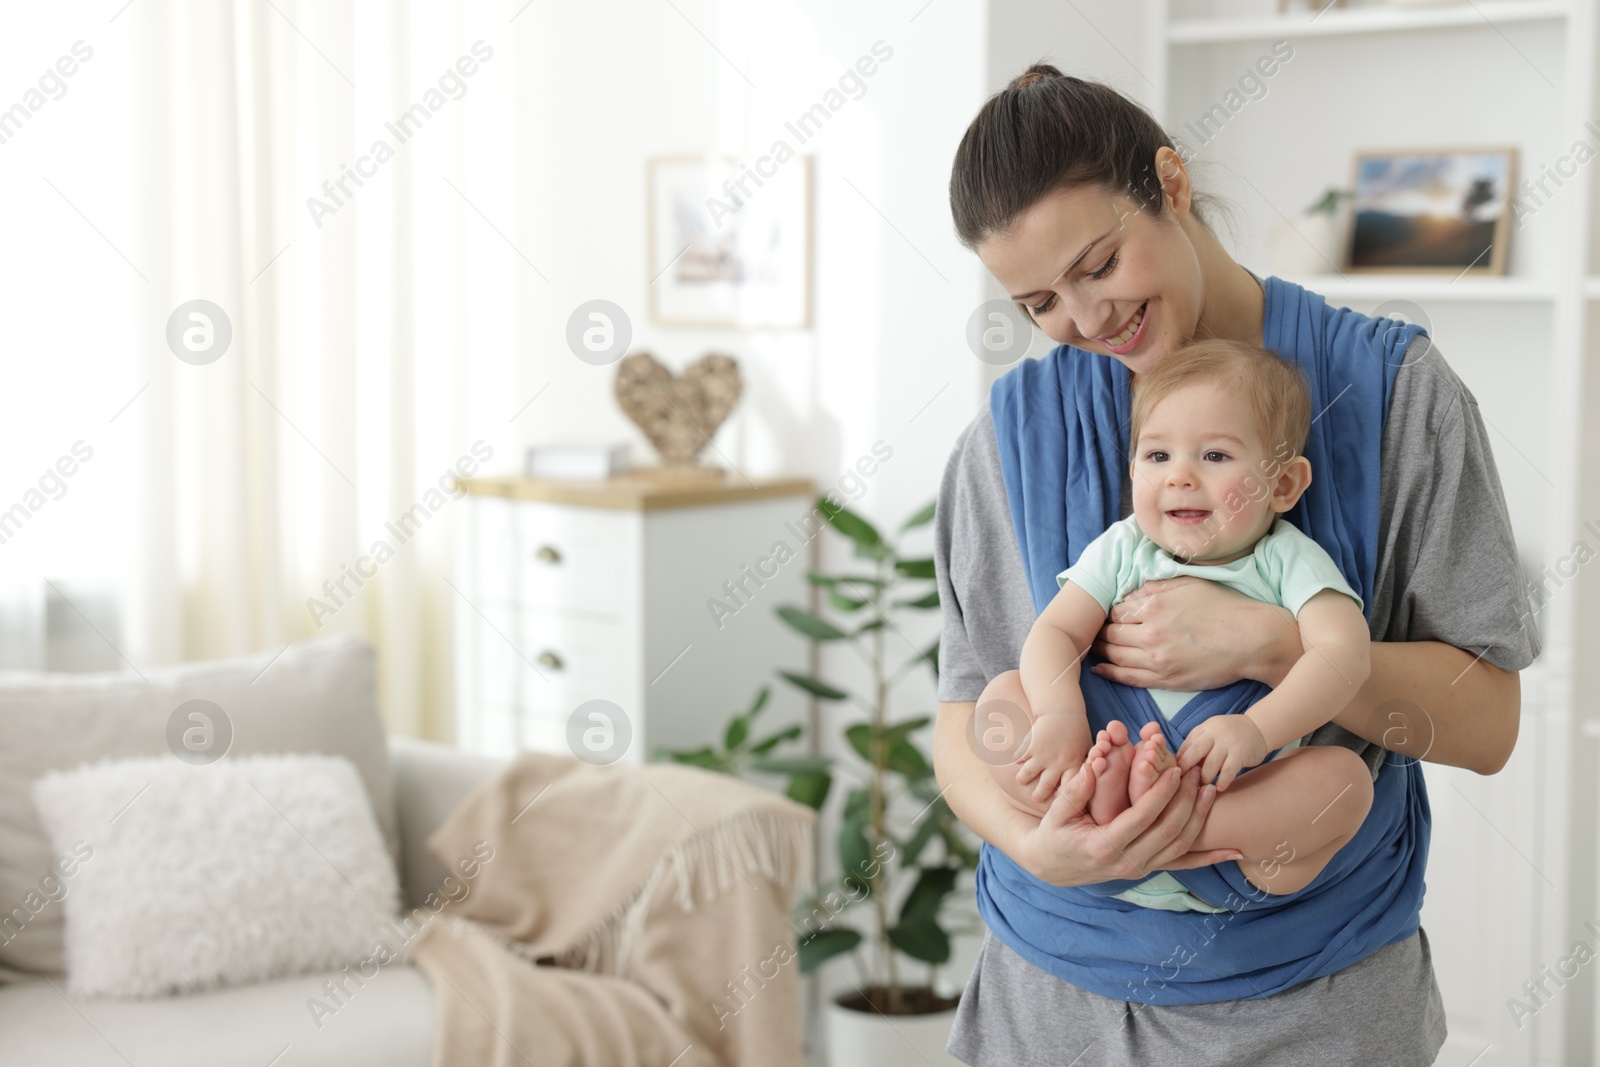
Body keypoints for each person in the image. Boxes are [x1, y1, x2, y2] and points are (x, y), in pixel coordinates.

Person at [931, 65, 1539, 1066]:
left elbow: (1487, 724)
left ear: (1169, 182)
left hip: (1310, 1005)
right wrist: (1031, 838)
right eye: (1039, 299)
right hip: (1045, 1002)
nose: (1085, 321)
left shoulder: (1395, 396)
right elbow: (966, 712)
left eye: (1099, 262)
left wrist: (1271, 643)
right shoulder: (1009, 439)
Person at [987, 338, 1374, 907]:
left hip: (1229, 808)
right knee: (999, 702)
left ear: (1284, 484)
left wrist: (1257, 730)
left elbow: (1345, 656)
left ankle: (1162, 824)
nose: (1180, 477)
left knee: (1345, 783)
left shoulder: (1286, 559)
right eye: (1157, 456)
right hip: (1097, 766)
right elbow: (1056, 633)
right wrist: (1059, 714)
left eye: (1215, 456)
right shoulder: (1123, 547)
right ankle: (1098, 806)